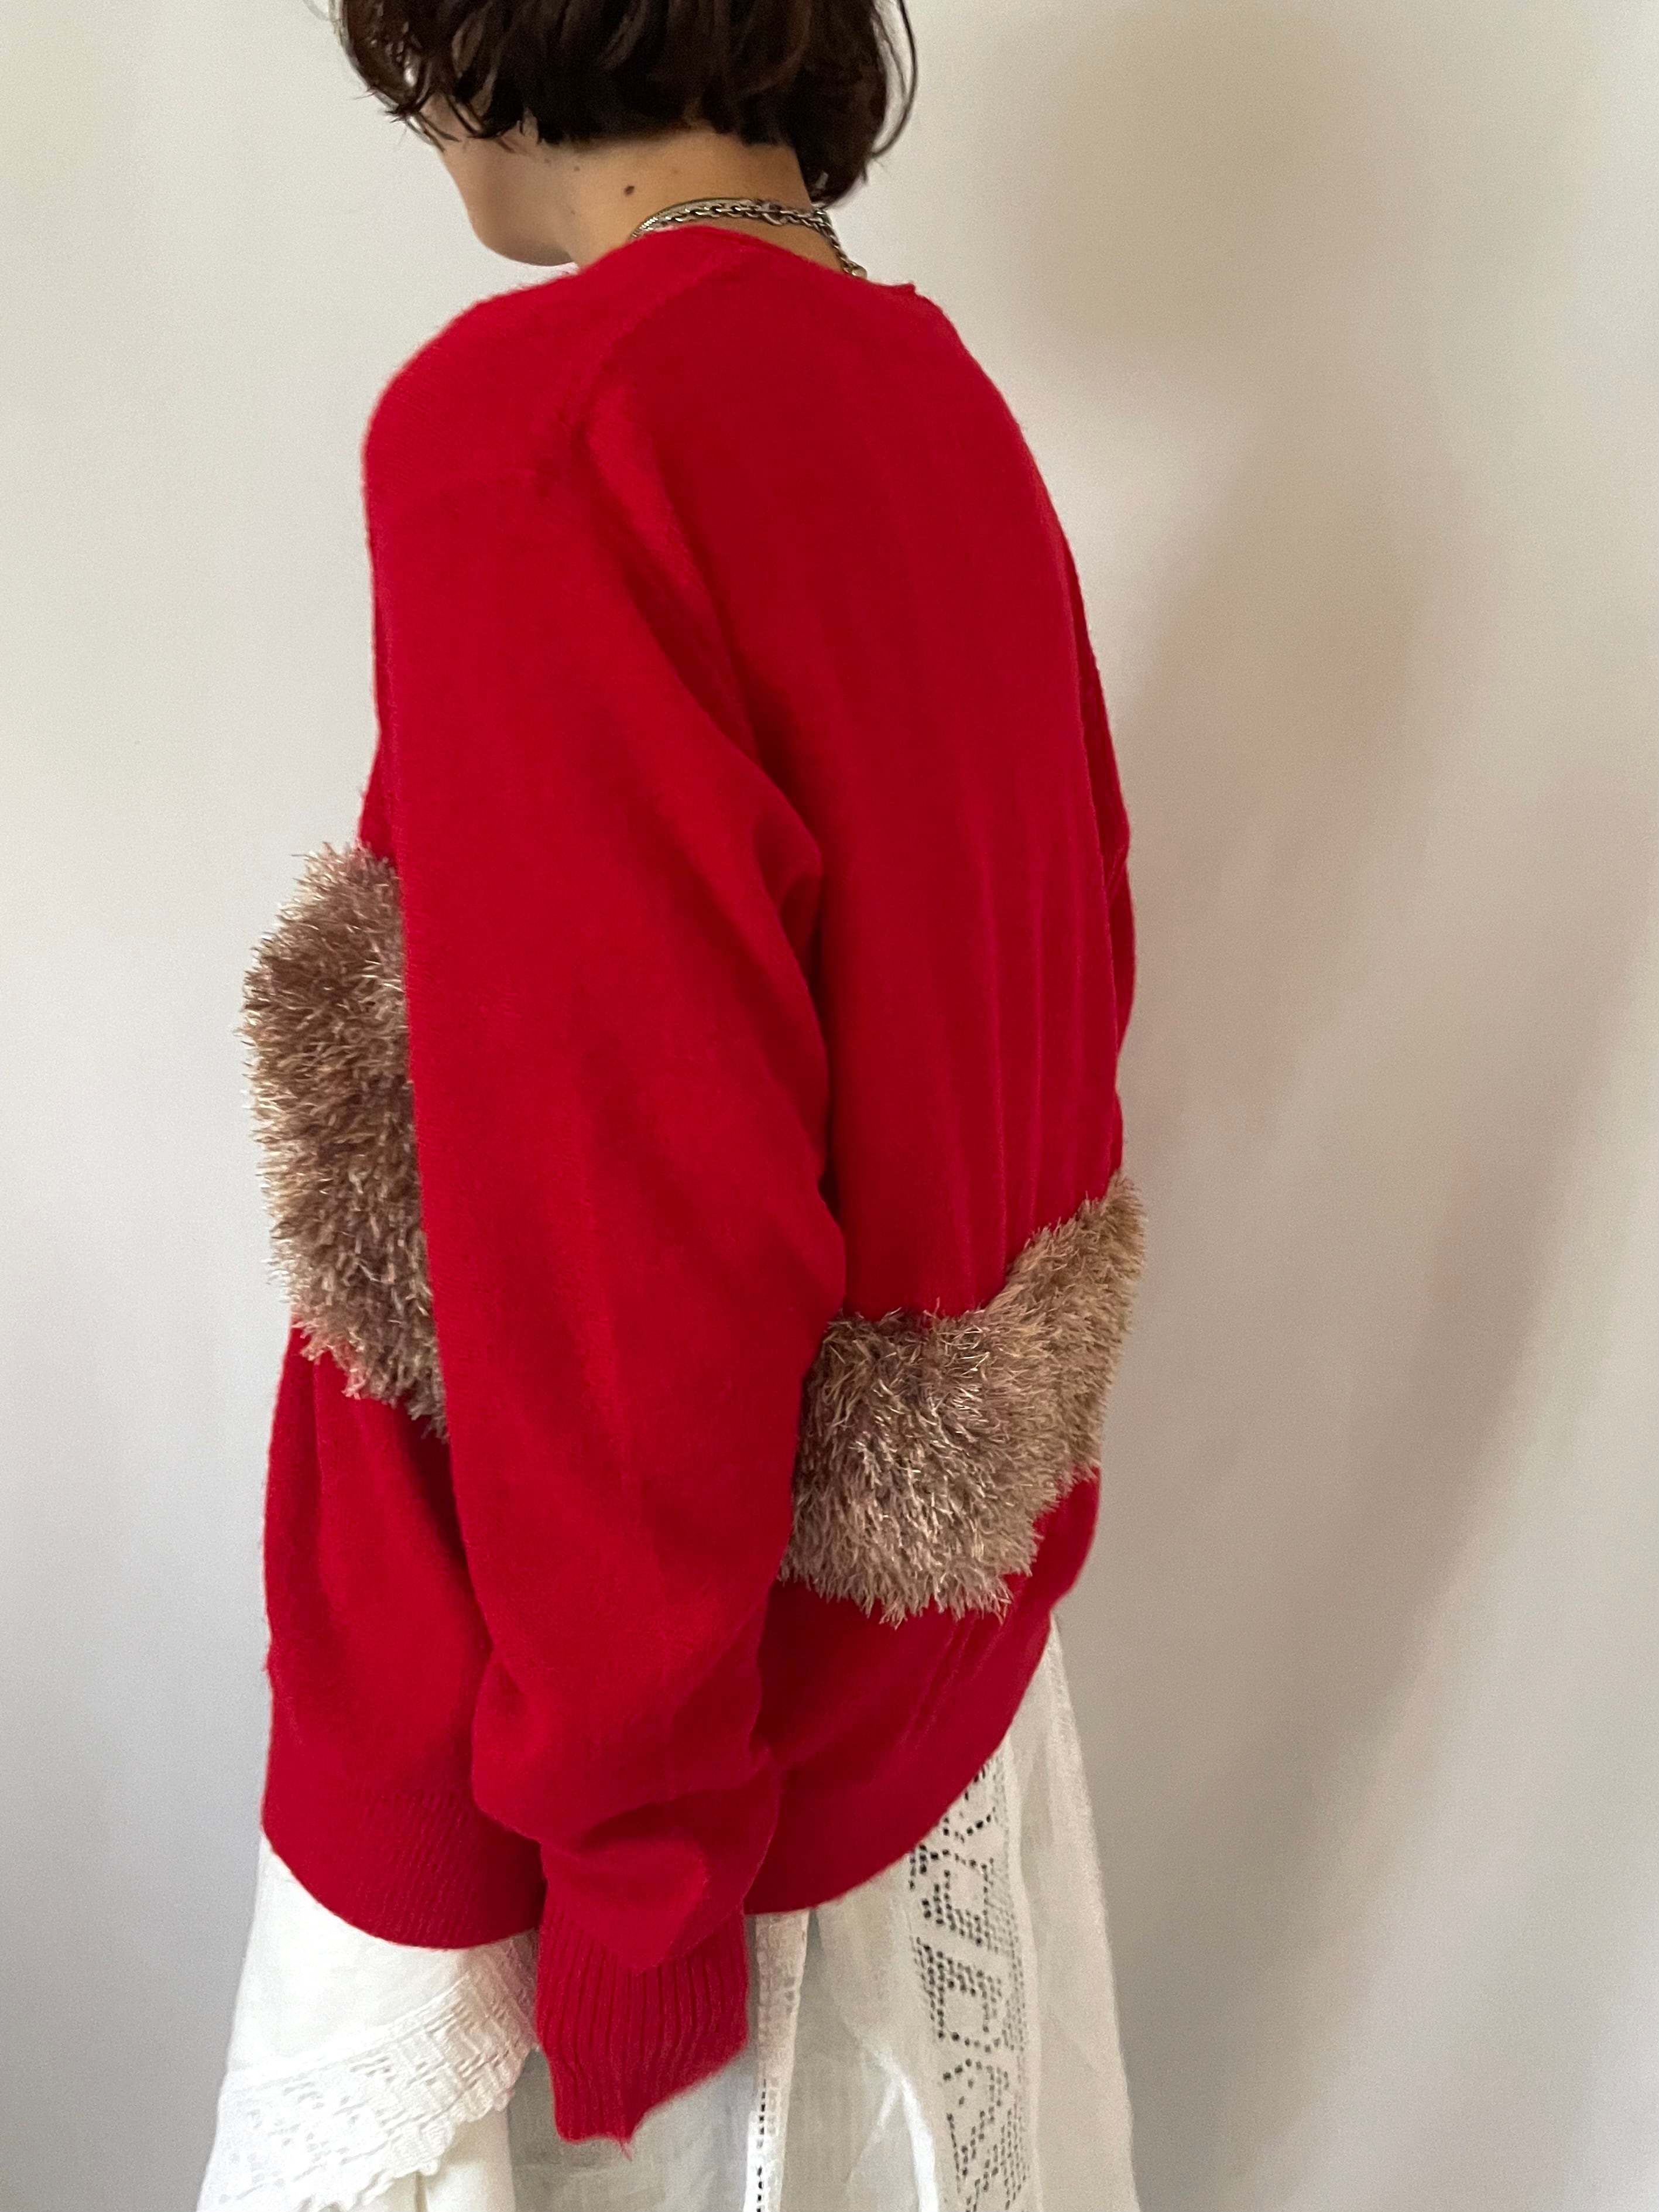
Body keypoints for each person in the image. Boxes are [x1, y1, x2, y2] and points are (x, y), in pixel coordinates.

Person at [198, 2, 1146, 2206]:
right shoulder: (938, 400)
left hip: (621, 1780)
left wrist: (634, 1880)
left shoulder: (539, 428)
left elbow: (617, 1202)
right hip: (922, 1714)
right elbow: (1070, 976)